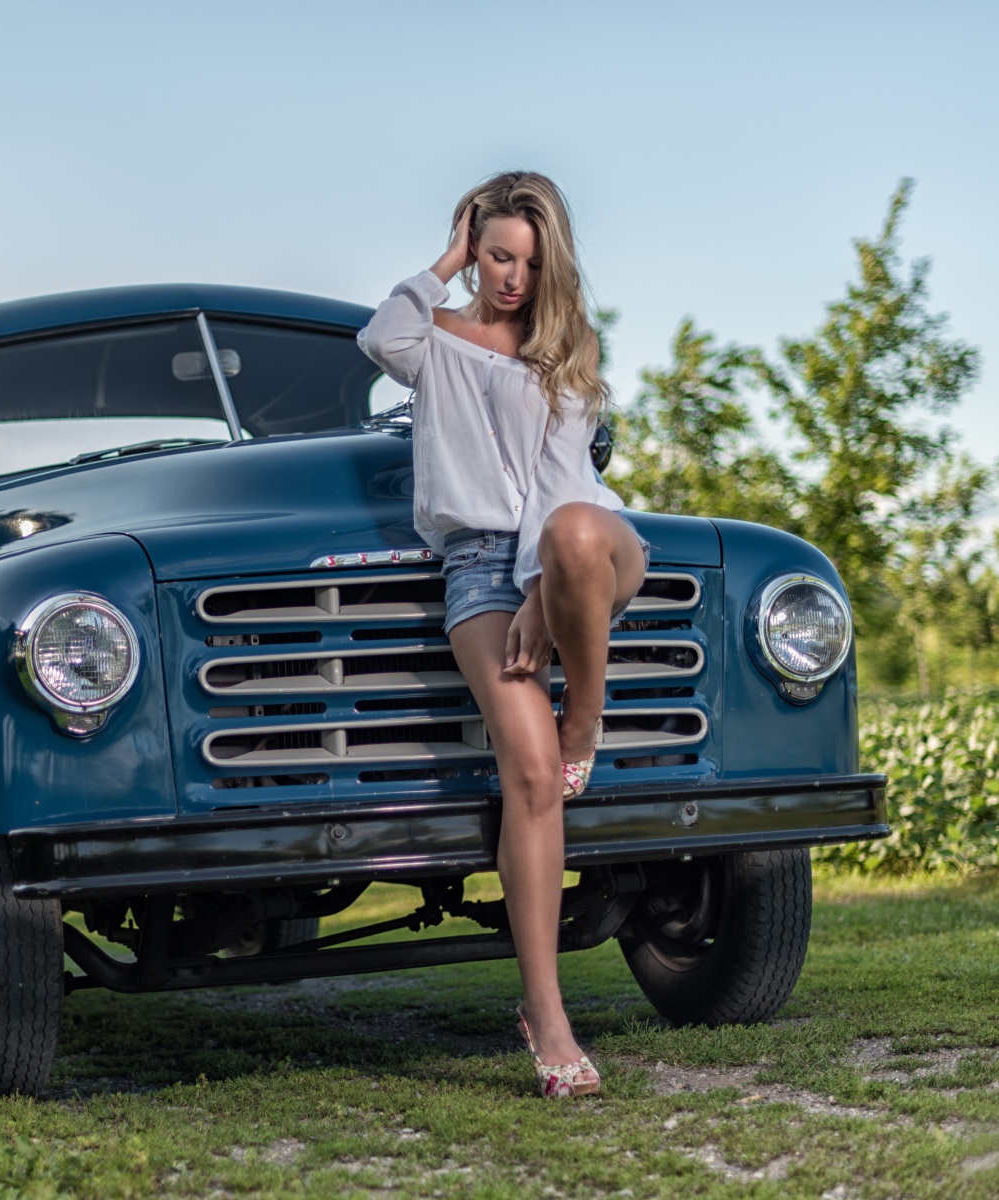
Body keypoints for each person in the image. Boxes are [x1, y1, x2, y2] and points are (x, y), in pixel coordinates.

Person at [357, 171, 649, 1098]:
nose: (513, 279)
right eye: (495, 256)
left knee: (569, 532)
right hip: (476, 567)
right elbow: (379, 335)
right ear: (474, 251)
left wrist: (541, 590)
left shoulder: (566, 347)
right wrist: (445, 257)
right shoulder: (435, 344)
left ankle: (586, 721)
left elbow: (568, 480)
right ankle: (545, 1012)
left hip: (583, 547)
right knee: (527, 776)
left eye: (529, 260)